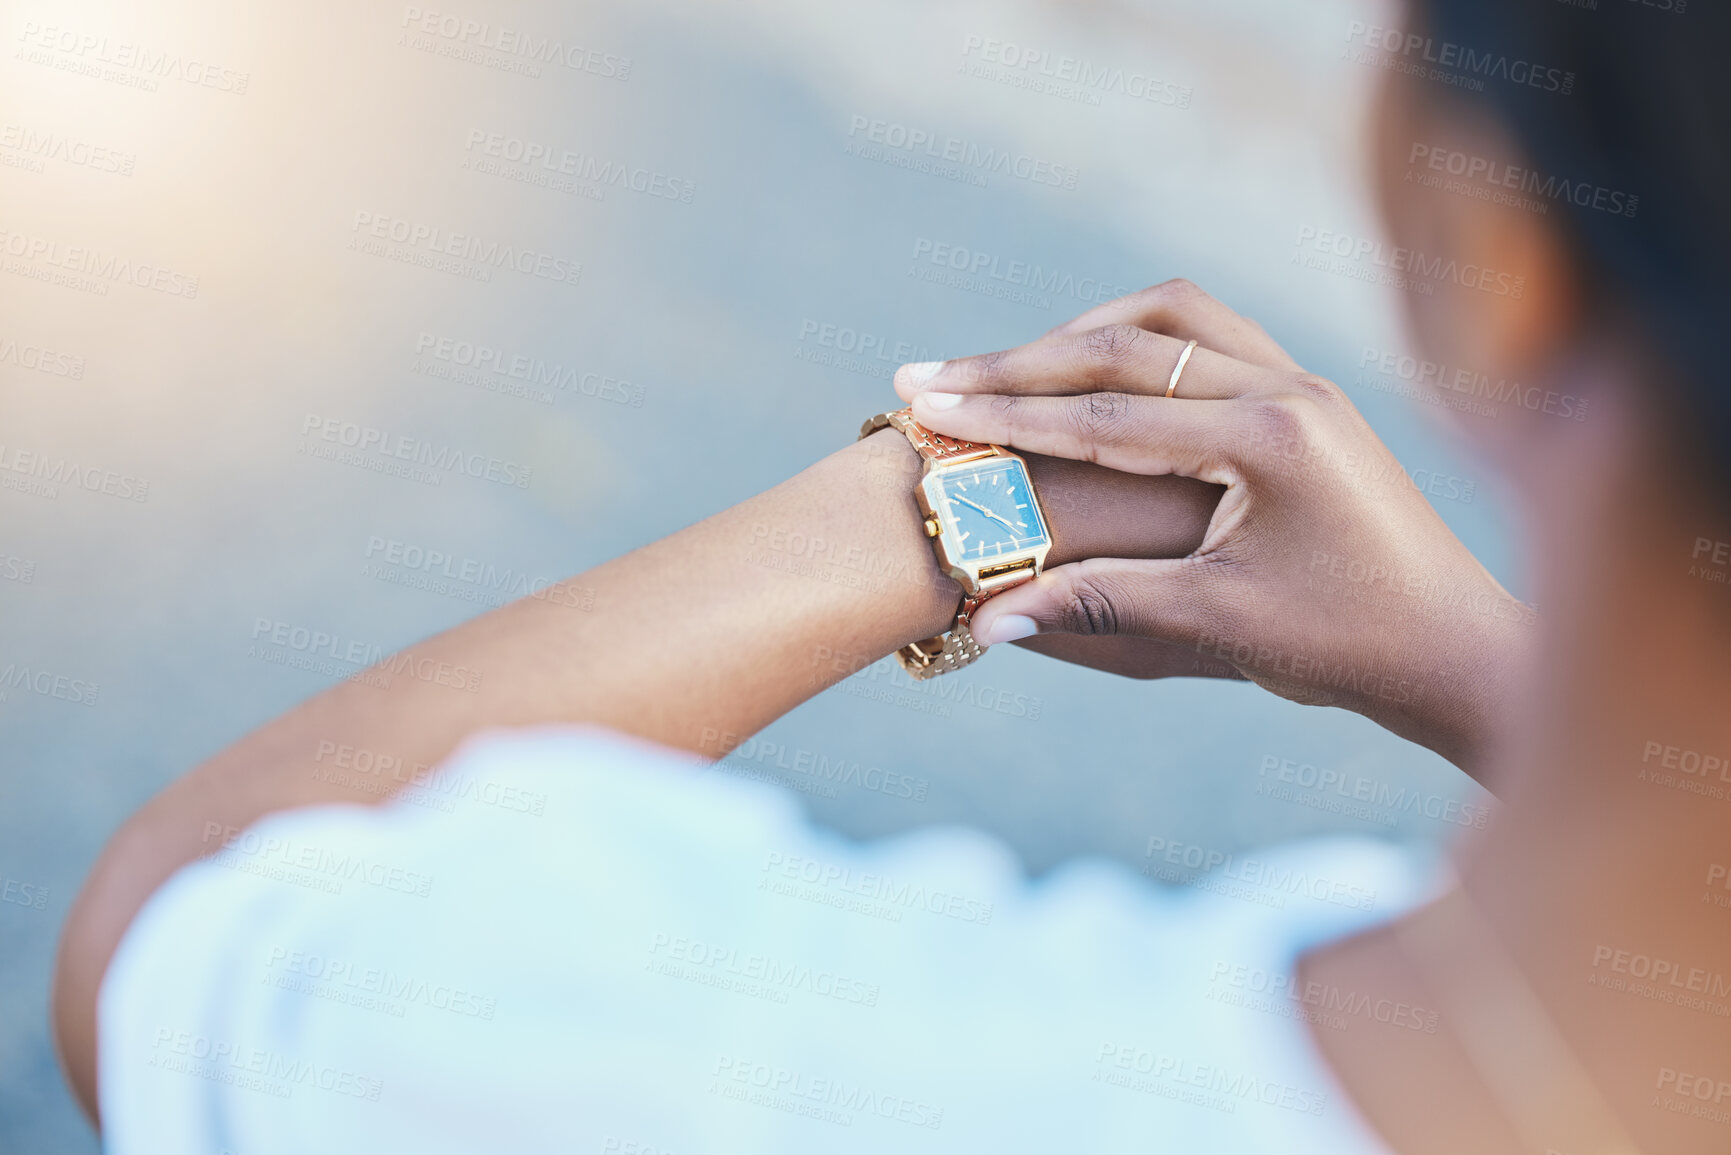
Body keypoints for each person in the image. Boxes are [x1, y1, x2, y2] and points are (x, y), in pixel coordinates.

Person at [53, 0, 1730, 1150]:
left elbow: (203, 935)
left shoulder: (851, 1085)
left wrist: (955, 503)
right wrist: (1497, 683)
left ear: (1479, 249)